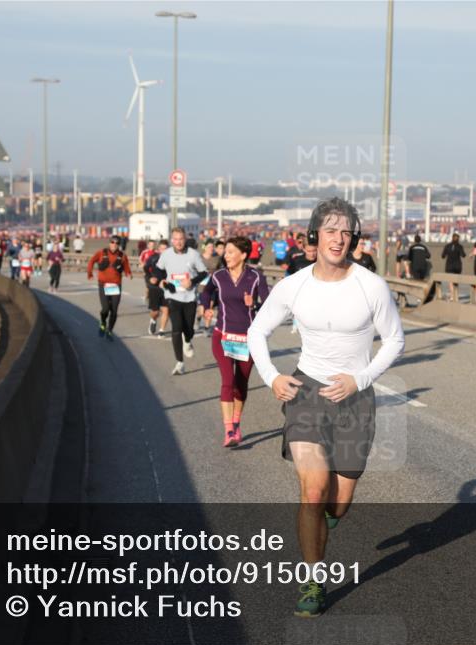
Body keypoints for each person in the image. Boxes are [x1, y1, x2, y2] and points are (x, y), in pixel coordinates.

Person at [247, 197, 404, 618]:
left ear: (354, 238)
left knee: (339, 503)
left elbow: (395, 340)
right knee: (313, 492)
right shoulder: (294, 285)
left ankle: (327, 520)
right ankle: (312, 581)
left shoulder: (370, 285)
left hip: (355, 398)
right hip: (307, 394)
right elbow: (257, 332)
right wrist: (273, 377)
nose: (338, 238)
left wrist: (361, 378)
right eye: (330, 230)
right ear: (314, 236)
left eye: (346, 231)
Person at [200, 237, 270, 447]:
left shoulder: (256, 277)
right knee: (228, 381)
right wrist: (207, 306)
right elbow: (206, 292)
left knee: (241, 384)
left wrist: (254, 306)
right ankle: (229, 429)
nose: (226, 255)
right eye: (226, 252)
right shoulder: (219, 276)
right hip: (223, 336)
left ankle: (237, 423)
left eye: (231, 252)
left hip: (248, 340)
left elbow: (269, 306)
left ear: (243, 255)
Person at [157, 228, 210, 375]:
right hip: (172, 297)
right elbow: (158, 270)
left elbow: (204, 273)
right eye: (175, 239)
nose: (178, 242)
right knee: (176, 329)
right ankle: (179, 363)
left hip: (189, 298)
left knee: (188, 330)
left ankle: (188, 340)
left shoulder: (193, 255)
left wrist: (192, 281)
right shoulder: (166, 254)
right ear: (172, 240)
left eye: (181, 239)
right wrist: (163, 281)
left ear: (184, 239)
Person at [87, 235, 132, 341]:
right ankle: (102, 322)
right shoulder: (102, 253)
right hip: (103, 284)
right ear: (109, 243)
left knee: (114, 311)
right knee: (105, 308)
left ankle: (110, 330)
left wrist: (129, 274)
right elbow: (91, 261)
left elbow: (127, 268)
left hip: (116, 285)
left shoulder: (122, 256)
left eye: (116, 243)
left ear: (119, 245)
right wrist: (90, 273)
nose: (114, 245)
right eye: (112, 242)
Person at [145, 239, 171, 336]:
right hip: (155, 288)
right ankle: (153, 320)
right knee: (155, 312)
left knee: (166, 310)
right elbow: (146, 270)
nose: (163, 251)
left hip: (166, 288)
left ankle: (161, 330)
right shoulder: (153, 258)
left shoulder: (172, 259)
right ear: (158, 249)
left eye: (166, 249)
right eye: (162, 248)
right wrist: (150, 278)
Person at [441, 233, 466, 302]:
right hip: (457, 266)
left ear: (452, 238)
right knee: (456, 281)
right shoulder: (460, 246)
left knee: (451, 282)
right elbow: (463, 255)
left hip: (449, 266)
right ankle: (456, 295)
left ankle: (452, 296)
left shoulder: (447, 246)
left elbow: (443, 256)